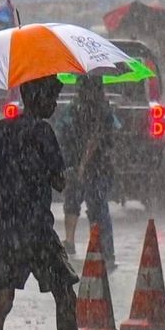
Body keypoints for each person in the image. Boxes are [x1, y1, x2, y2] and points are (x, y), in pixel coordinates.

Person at [0, 76, 115, 330]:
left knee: (2, 301)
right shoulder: (42, 132)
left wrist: (13, 175)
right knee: (66, 298)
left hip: (8, 231)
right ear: (38, 98)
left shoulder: (1, 131)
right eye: (52, 97)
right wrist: (46, 171)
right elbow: (58, 182)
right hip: (38, 232)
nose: (55, 104)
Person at [55, 76, 120, 266]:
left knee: (91, 205)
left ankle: (102, 250)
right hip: (93, 166)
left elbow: (95, 138)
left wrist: (80, 163)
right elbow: (113, 134)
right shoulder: (101, 111)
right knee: (93, 206)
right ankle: (103, 250)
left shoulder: (84, 111)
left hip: (92, 166)